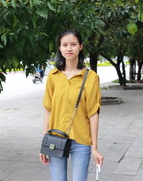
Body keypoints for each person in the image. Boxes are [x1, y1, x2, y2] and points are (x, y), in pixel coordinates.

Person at [39, 29, 104, 181]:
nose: (69, 48)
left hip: (81, 141)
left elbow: (93, 113)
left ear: (80, 46)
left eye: (73, 44)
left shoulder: (91, 77)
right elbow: (48, 110)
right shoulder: (53, 77)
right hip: (55, 138)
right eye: (65, 45)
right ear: (60, 48)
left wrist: (94, 148)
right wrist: (44, 142)